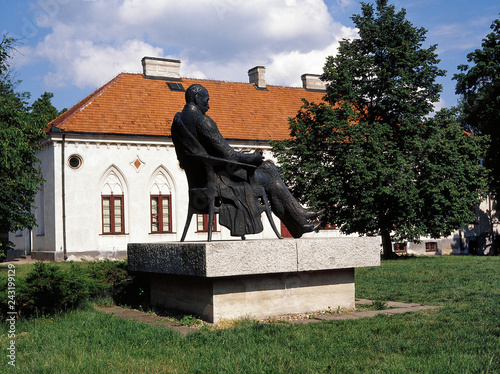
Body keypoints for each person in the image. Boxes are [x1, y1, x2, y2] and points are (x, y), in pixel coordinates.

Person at [173, 83, 323, 238]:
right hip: (220, 180)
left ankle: (300, 219)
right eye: (206, 100)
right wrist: (253, 158)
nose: (208, 105)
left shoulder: (179, 121)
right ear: (197, 98)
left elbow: (215, 154)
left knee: (268, 169)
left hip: (202, 181)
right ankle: (299, 219)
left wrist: (250, 158)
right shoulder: (203, 121)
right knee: (270, 174)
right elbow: (229, 155)